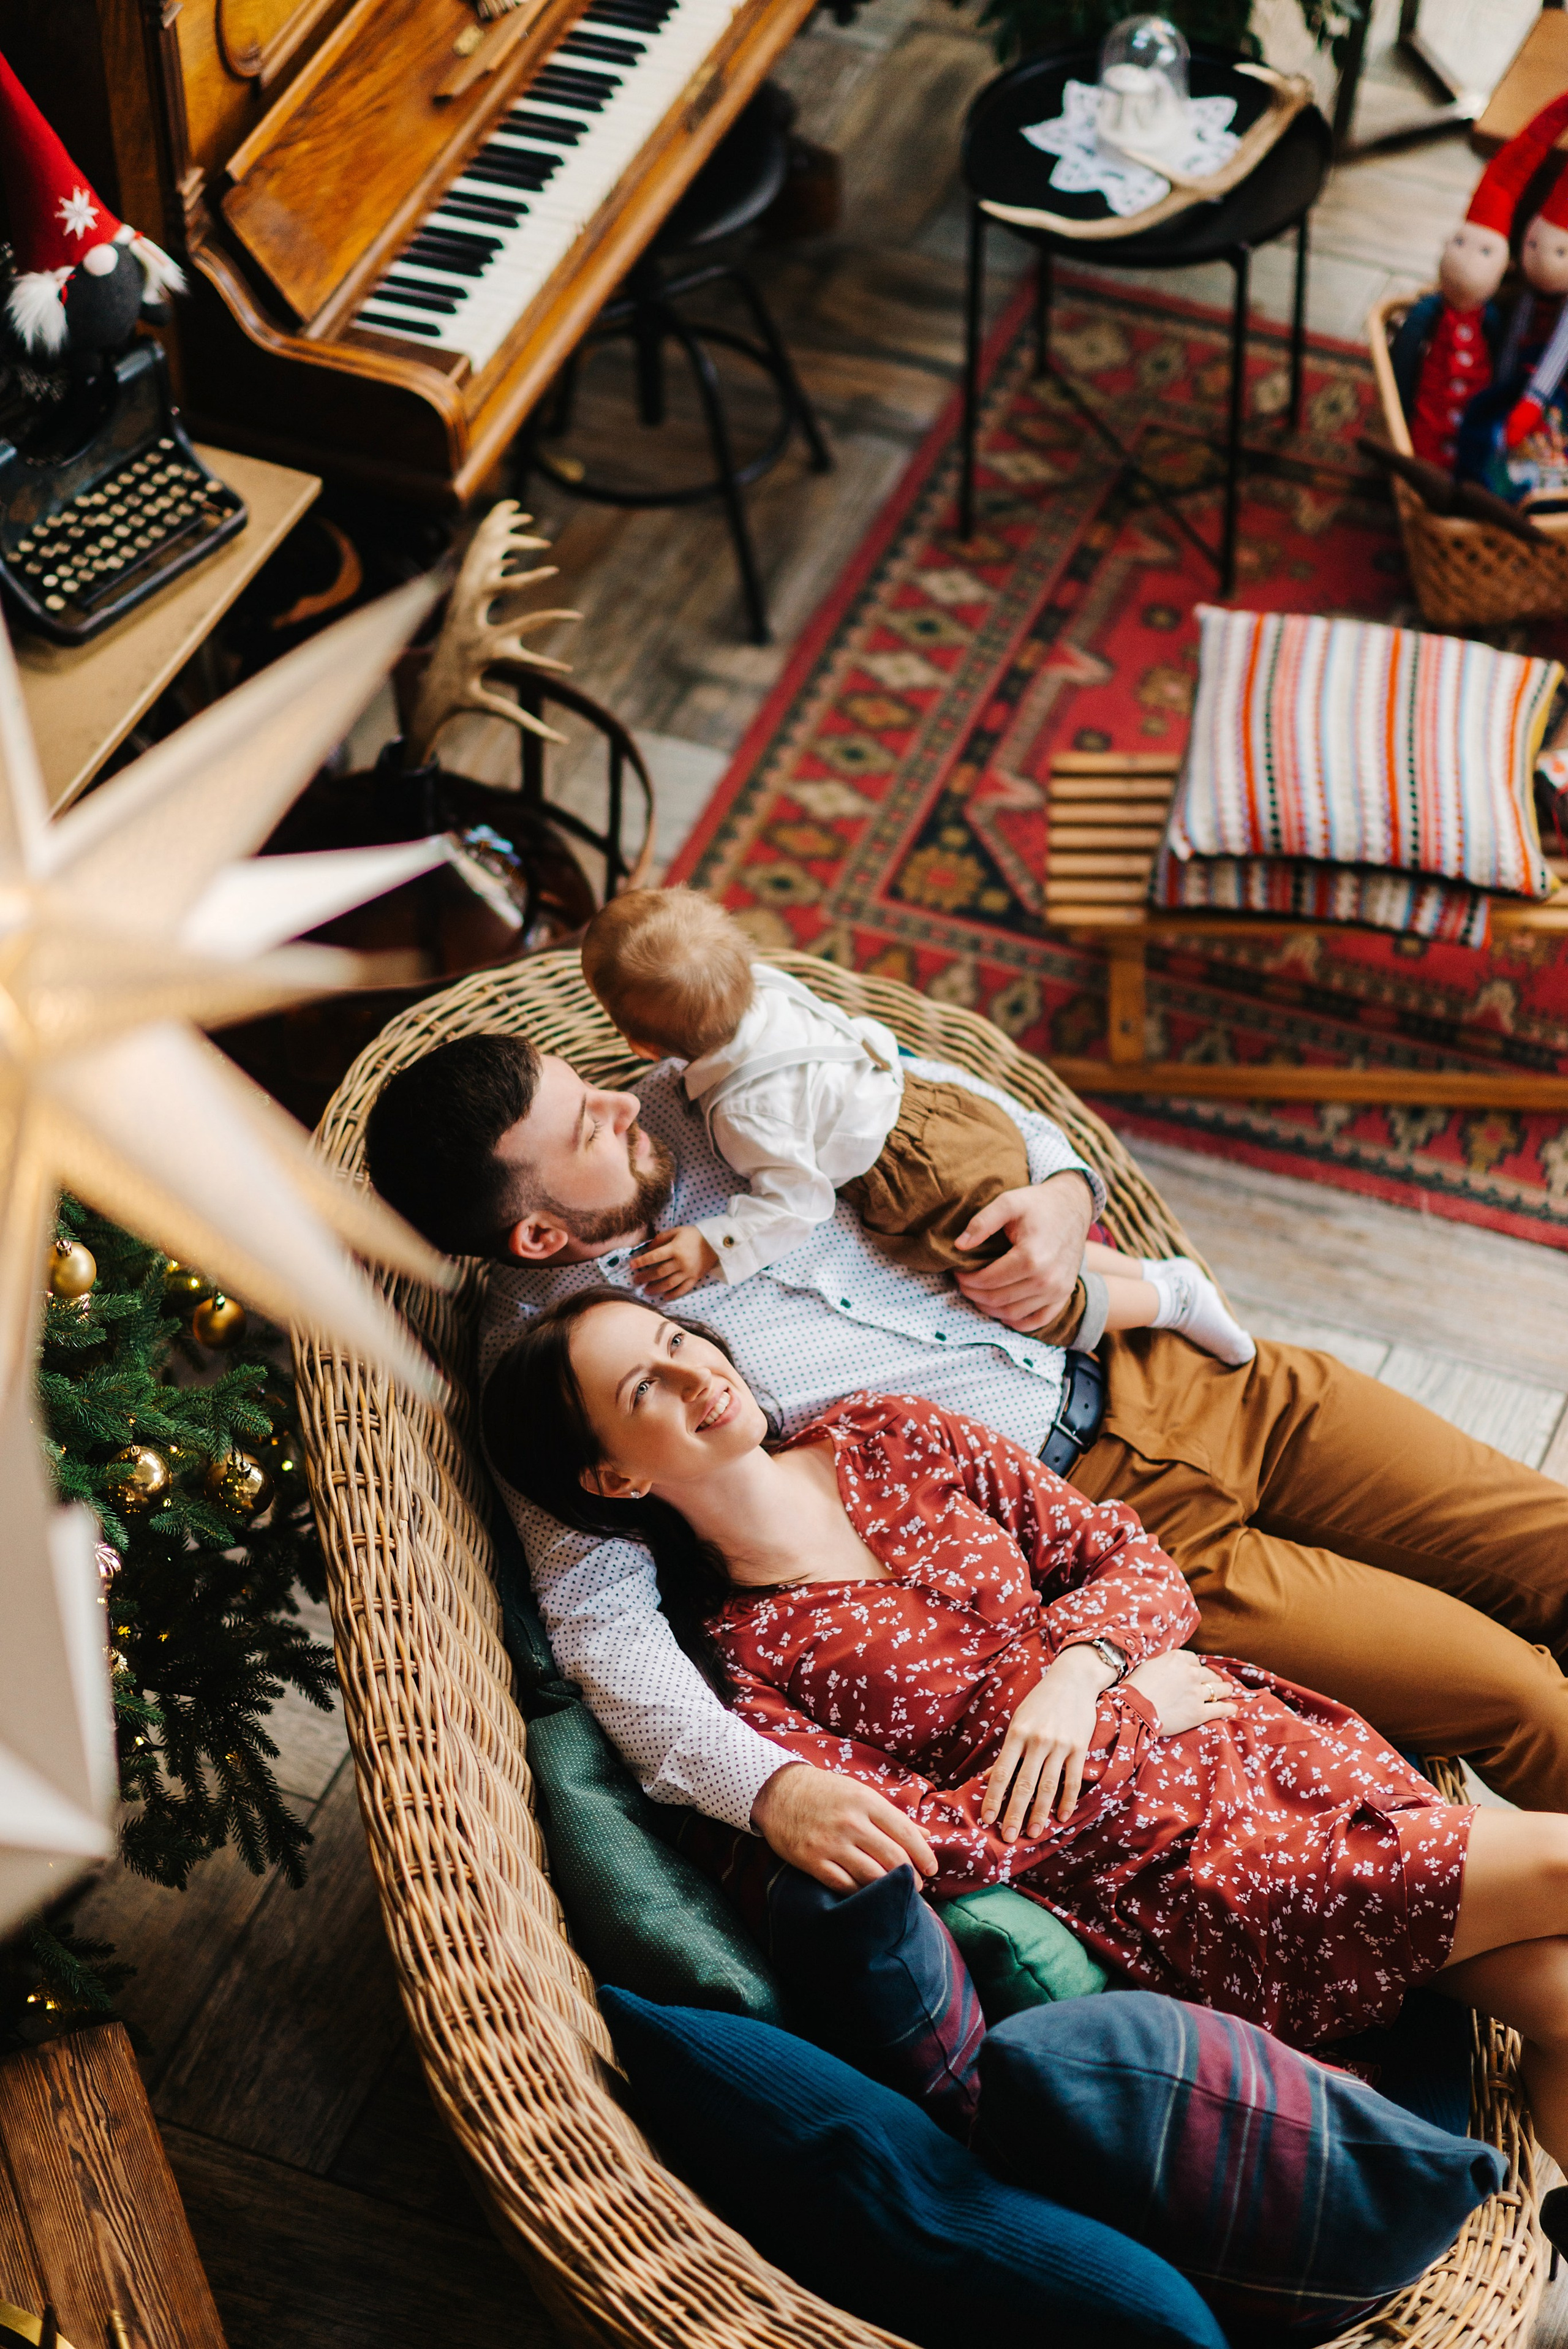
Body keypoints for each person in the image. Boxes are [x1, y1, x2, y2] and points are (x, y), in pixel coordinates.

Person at [362, 1008, 1568, 1896]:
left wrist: (1055, 1198)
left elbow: (973, 1113)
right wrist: (764, 1787)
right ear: (534, 1228)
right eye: (584, 1124)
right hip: (1110, 1529)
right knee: (1517, 1697)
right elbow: (601, 1626)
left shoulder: (716, 1076)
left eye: (592, 1085)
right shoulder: (555, 1371)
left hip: (1181, 1364)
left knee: (1551, 1548)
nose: (622, 1099)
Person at [483, 1284, 1568, 2187]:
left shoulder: (890, 1431)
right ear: (615, 1477)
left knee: (1557, 2005)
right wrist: (1132, 1706)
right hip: (1186, 1874)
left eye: (677, 1340)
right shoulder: (752, 1672)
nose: (694, 1373)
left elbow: (1133, 1561)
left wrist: (1077, 1674)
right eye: (646, 1388)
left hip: (1269, 1744)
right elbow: (950, 1848)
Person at [580, 888, 1253, 1366]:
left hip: (914, 1180)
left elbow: (797, 1204)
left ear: (644, 1048)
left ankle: (1171, 1300)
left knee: (1024, 1301)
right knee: (1024, 1246)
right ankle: (1152, 1270)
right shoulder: (769, 983)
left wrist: (713, 1242)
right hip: (941, 1108)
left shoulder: (745, 1112)